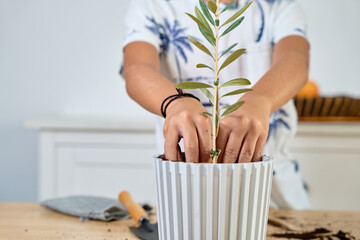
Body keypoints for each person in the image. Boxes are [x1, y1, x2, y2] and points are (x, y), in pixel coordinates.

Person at [120, 0, 309, 209]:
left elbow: (296, 59)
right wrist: (175, 103)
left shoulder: (277, 5)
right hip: (186, 196)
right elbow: (136, 68)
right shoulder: (154, 5)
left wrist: (259, 100)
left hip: (277, 199)